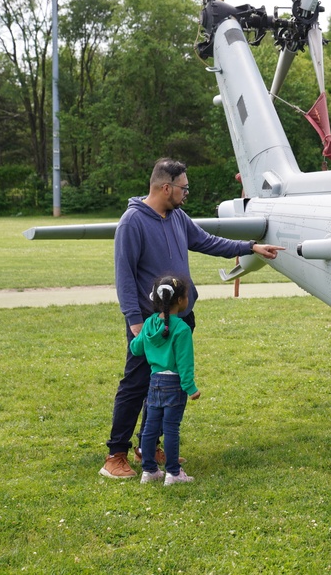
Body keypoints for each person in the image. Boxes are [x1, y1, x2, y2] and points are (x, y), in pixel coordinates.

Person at [99, 158, 285, 479]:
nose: (186, 193)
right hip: (150, 324)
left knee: (166, 383)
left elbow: (208, 242)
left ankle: (148, 446)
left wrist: (250, 246)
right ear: (165, 187)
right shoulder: (132, 222)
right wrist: (136, 323)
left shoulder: (178, 217)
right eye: (183, 188)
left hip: (181, 320)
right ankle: (115, 455)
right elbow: (125, 276)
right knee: (137, 383)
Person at [133, 275, 199, 485]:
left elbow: (136, 349)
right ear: (180, 301)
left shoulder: (150, 324)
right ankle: (173, 472)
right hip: (174, 386)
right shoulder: (181, 329)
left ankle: (149, 470)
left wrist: (139, 334)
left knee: (150, 427)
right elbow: (184, 363)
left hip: (154, 383)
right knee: (171, 428)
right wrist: (190, 388)